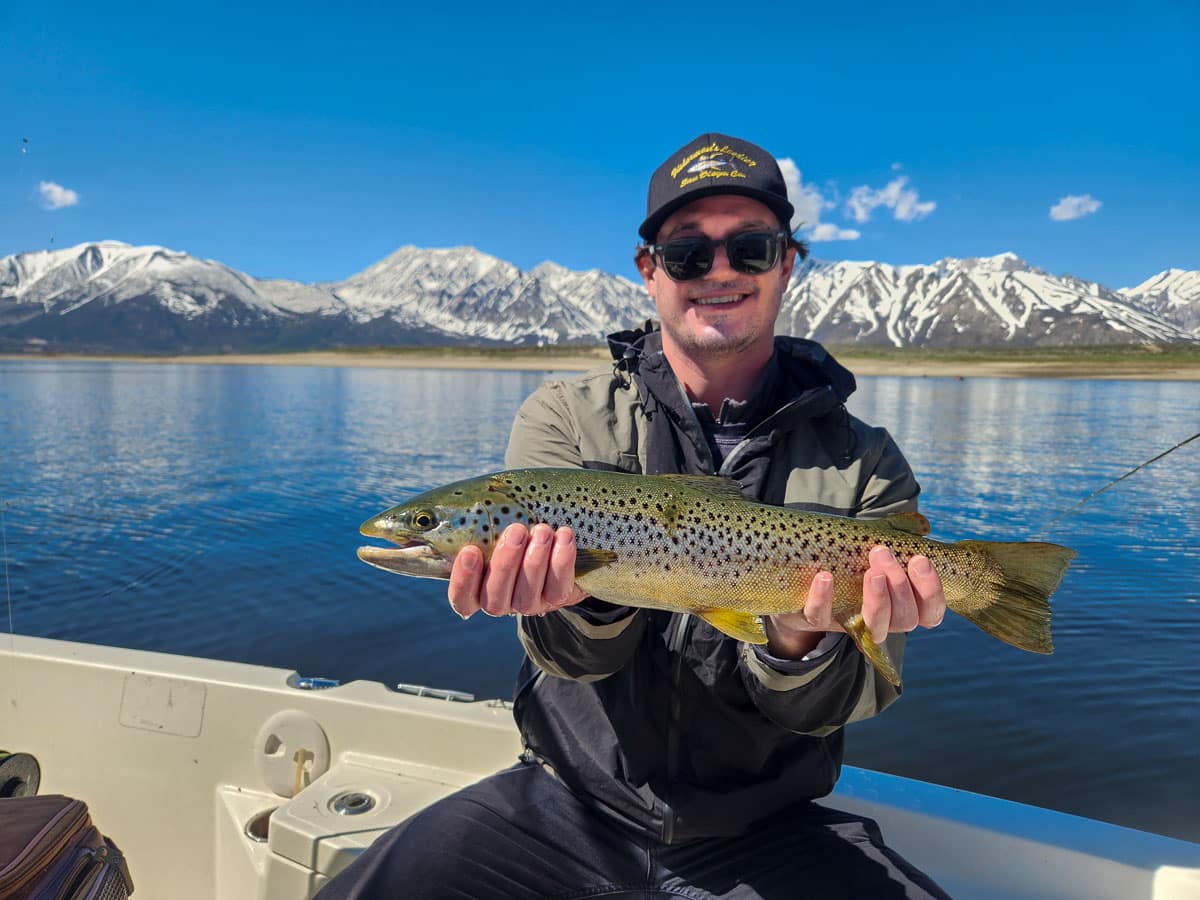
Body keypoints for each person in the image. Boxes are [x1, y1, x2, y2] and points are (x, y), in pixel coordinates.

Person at [317, 133, 951, 899]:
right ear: (649, 271)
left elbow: (850, 701)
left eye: (749, 249)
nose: (718, 272)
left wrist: (796, 639)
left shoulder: (866, 464)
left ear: (786, 263)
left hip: (768, 834)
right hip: (563, 809)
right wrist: (580, 599)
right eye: (688, 254)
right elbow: (571, 662)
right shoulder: (564, 422)